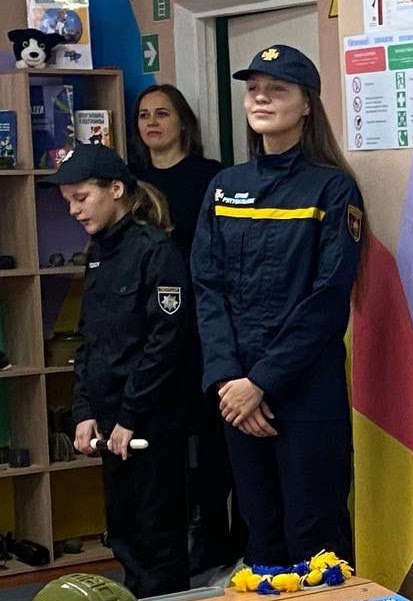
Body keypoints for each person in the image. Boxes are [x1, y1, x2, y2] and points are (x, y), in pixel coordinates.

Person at [191, 45, 363, 570]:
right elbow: (207, 288)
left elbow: (328, 297)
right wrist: (229, 382)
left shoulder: (332, 188)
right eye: (253, 90)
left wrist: (261, 382)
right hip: (237, 400)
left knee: (316, 541)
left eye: (277, 89)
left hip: (304, 394)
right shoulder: (225, 187)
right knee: (260, 539)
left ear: (307, 104)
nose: (261, 98)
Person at [52, 144, 192, 598]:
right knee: (124, 533)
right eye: (68, 201)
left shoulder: (156, 250)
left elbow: (165, 343)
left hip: (149, 419)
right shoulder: (97, 252)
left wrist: (131, 414)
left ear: (116, 189)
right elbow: (91, 341)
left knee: (158, 537)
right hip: (111, 419)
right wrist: (84, 411)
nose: (74, 210)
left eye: (81, 198)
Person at [130, 83, 244, 573]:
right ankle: (171, 543)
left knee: (216, 438)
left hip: (204, 323)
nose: (152, 123)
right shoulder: (129, 181)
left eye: (162, 113)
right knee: (163, 441)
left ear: (183, 122)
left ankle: (221, 536)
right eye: (143, 115)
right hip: (150, 328)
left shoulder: (211, 176)